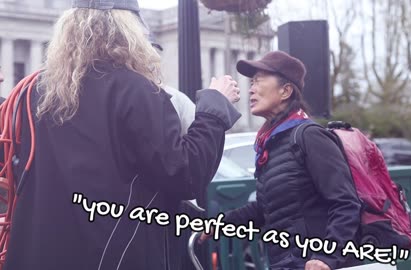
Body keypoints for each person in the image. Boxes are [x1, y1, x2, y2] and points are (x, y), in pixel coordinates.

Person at [3, 1, 241, 270]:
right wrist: (214, 107)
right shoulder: (135, 90)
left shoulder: (33, 93)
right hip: (111, 255)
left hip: (38, 254)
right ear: (127, 30)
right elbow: (184, 173)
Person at [201, 51, 362, 270]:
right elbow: (267, 209)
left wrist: (326, 257)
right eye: (251, 82)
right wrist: (219, 224)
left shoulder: (310, 136)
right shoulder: (272, 142)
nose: (251, 89)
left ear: (285, 91)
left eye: (258, 81)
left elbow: (346, 203)